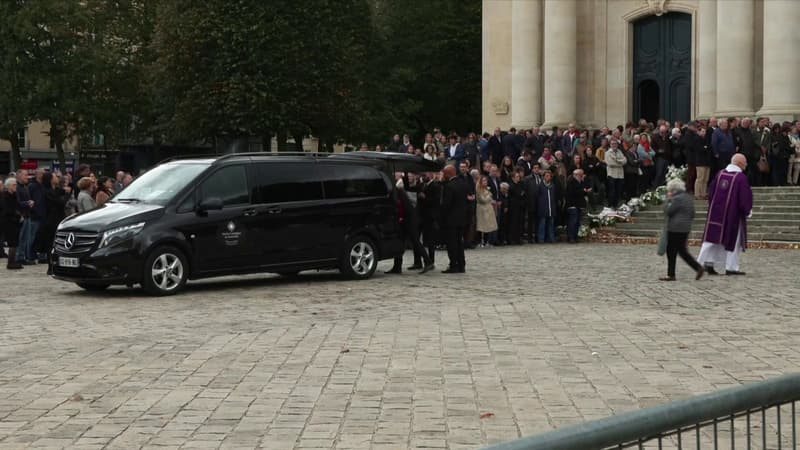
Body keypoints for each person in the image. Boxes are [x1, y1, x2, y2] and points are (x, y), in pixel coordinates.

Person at [697, 153, 753, 276]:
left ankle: (707, 263)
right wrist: (747, 210)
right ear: (739, 164)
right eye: (745, 162)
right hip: (733, 216)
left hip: (716, 213)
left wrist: (713, 206)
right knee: (734, 239)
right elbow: (744, 197)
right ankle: (731, 267)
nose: (747, 164)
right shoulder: (741, 178)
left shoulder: (720, 174)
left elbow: (711, 192)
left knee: (712, 239)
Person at [385, 176, 434, 275]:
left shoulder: (398, 191)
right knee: (400, 241)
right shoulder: (397, 191)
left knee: (415, 241)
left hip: (409, 220)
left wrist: (401, 217)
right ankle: (397, 266)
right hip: (406, 219)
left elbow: (403, 207)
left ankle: (428, 262)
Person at [659, 179, 704, 281]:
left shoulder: (676, 199)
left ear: (673, 190)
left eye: (670, 190)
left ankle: (671, 274)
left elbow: (668, 211)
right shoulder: (688, 198)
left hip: (675, 228)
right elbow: (692, 213)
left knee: (671, 251)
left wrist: (667, 201)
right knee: (682, 251)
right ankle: (697, 267)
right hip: (685, 228)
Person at [440, 165, 468, 273]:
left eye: (445, 173)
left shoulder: (449, 186)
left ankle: (454, 264)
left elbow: (446, 204)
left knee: (452, 243)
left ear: (449, 173)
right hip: (461, 218)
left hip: (451, 220)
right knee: (459, 242)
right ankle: (461, 264)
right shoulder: (463, 184)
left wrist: (442, 215)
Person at [418, 172, 443, 265]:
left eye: (425, 175)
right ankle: (421, 261)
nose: (423, 177)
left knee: (430, 241)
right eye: (422, 175)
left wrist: (425, 198)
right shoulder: (422, 185)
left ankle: (431, 260)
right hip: (422, 216)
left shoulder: (435, 186)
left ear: (430, 175)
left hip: (431, 216)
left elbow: (436, 201)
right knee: (424, 240)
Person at [1, 178, 24, 270]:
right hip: (8, 222)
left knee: (15, 242)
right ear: (9, 186)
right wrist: (18, 216)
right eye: (14, 185)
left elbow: (17, 206)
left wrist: (20, 214)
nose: (16, 186)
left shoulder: (13, 195)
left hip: (14, 221)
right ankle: (11, 262)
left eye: (16, 184)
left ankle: (12, 261)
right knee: (12, 242)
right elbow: (7, 210)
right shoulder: (5, 196)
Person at [564, 169, 590, 243]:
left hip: (579, 205)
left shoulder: (580, 182)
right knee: (573, 221)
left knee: (577, 222)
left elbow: (584, 189)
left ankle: (575, 236)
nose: (582, 176)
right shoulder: (571, 182)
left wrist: (586, 191)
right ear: (576, 175)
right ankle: (571, 237)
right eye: (581, 175)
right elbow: (572, 193)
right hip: (572, 205)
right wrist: (583, 191)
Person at [475, 176, 498, 247]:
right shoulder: (478, 190)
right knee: (481, 225)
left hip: (488, 208)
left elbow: (489, 199)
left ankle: (486, 241)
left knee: (488, 225)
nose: (485, 182)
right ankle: (480, 241)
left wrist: (492, 200)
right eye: (483, 181)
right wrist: (489, 195)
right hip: (482, 209)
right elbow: (482, 200)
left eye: (486, 181)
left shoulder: (487, 189)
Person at [536, 170, 558, 243]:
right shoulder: (540, 186)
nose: (548, 177)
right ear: (543, 177)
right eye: (546, 176)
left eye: (549, 176)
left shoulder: (553, 186)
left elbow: (554, 197)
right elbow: (537, 197)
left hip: (551, 208)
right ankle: (541, 239)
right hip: (543, 208)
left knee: (551, 224)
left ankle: (551, 238)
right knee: (542, 224)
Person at [604, 140, 627, 208]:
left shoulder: (620, 152)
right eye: (612, 144)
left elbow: (625, 160)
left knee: (618, 191)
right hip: (611, 174)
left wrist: (617, 161)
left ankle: (615, 205)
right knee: (612, 191)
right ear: (610, 145)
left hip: (620, 175)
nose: (614, 145)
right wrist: (620, 163)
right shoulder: (607, 153)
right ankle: (610, 205)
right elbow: (610, 163)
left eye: (615, 144)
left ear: (617, 145)